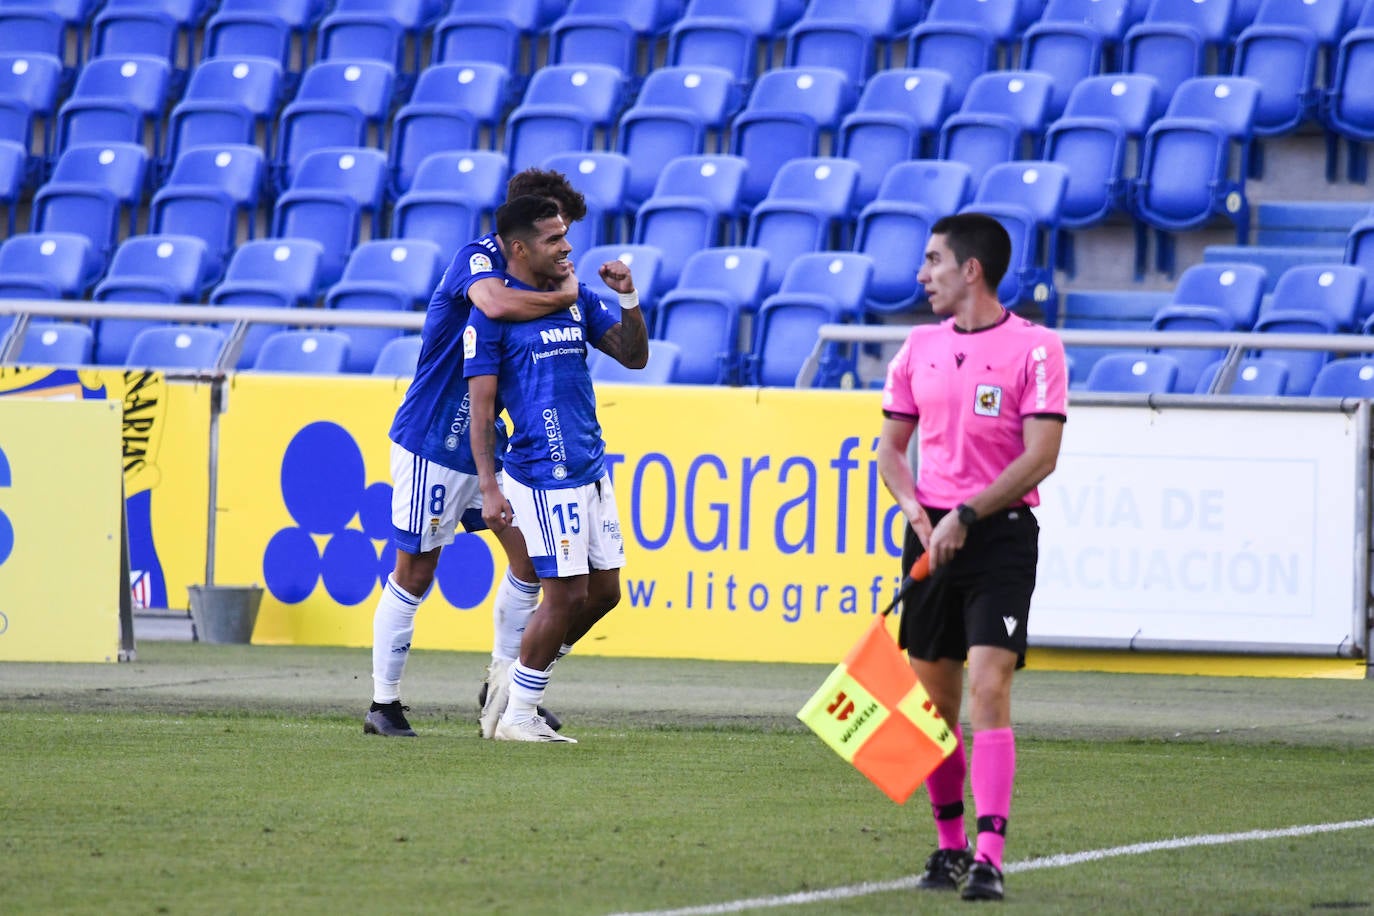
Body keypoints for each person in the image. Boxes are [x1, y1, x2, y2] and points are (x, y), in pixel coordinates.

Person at [876, 213, 1067, 902]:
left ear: (971, 269)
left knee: (989, 687)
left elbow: (1042, 456)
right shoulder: (918, 347)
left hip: (999, 538)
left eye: (933, 261)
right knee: (934, 705)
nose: (922, 274)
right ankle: (950, 844)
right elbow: (890, 450)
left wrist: (968, 514)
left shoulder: (1038, 349)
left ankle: (990, 855)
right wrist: (914, 509)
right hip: (931, 537)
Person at [364, 170, 587, 739]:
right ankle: (383, 704)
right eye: (554, 229)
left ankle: (503, 686)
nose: (563, 244)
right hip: (435, 437)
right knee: (416, 570)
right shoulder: (479, 258)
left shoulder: (536, 276)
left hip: (491, 443)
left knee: (530, 562)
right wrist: (562, 296)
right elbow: (491, 302)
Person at [464, 195, 648, 743]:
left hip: (591, 466)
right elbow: (481, 410)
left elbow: (634, 356)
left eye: (566, 235)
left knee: (605, 593)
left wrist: (628, 298)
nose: (567, 246)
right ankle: (519, 715)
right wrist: (489, 487)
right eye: (553, 238)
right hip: (543, 473)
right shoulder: (494, 314)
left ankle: (520, 679)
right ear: (519, 249)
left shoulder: (577, 298)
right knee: (564, 596)